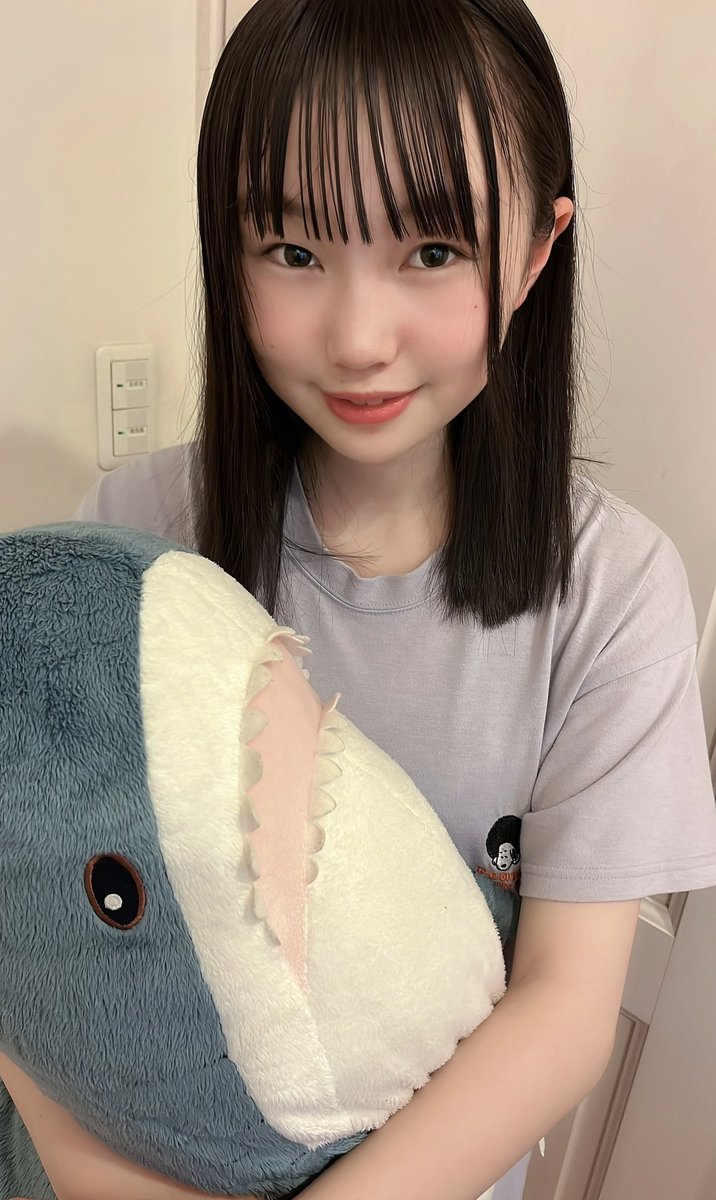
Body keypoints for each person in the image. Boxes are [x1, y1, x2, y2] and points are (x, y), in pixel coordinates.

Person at [4, 1, 716, 1198]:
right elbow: (32, 926)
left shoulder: (611, 594)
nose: (356, 337)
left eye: (431, 251)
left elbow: (561, 1008)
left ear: (534, 252)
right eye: (292, 251)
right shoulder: (136, 530)